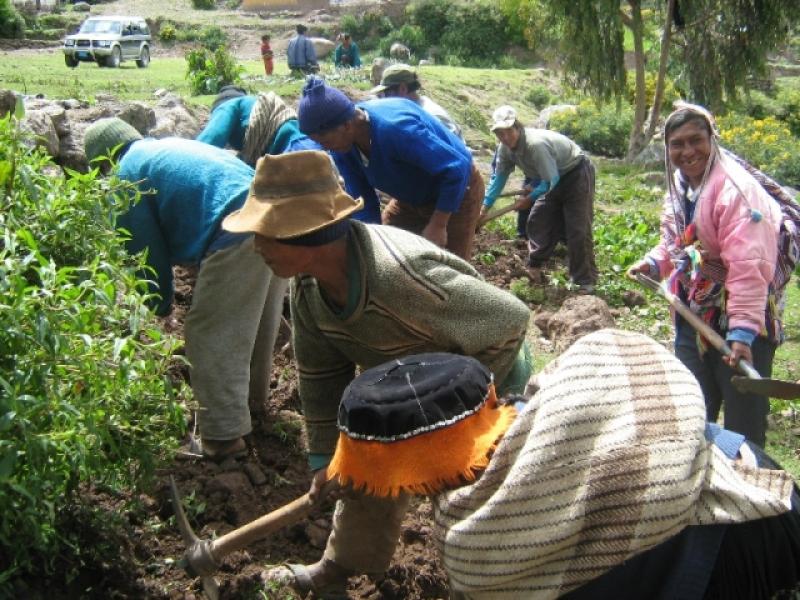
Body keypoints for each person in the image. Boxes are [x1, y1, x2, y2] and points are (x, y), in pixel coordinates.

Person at [265, 329, 800, 599]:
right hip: (763, 480)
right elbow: (634, 355)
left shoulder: (473, 543)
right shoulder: (570, 385)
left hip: (724, 557)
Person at [221, 149, 532, 598]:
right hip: (407, 382)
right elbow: (321, 377)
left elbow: (510, 321)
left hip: (488, 376)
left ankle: (489, 585)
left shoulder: (401, 280)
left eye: (265, 235)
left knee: (477, 500)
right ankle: (341, 565)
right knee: (366, 451)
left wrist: (459, 407)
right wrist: (327, 460)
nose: (257, 247)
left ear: (304, 233)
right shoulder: (310, 289)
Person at [83, 118, 289, 461]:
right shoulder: (159, 150)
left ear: (103, 163)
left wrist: (158, 306)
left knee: (210, 332)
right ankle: (252, 404)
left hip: (236, 225)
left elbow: (146, 257)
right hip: (277, 213)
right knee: (254, 321)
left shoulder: (125, 175)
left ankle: (224, 437)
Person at [627, 102, 787, 447]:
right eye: (677, 144)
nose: (688, 151)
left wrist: (743, 335)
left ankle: (749, 491)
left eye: (696, 140)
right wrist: (654, 264)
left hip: (745, 317)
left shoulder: (736, 193)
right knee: (690, 411)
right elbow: (679, 242)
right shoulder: (680, 184)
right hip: (694, 312)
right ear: (667, 149)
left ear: (712, 139)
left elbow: (750, 265)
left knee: (743, 427)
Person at [297, 76, 484, 260]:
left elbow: (456, 168)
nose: (326, 149)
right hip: (411, 197)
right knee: (388, 252)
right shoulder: (343, 148)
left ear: (346, 125)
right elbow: (362, 199)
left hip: (457, 191)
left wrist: (438, 224)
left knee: (450, 267)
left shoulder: (397, 130)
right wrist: (368, 246)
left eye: (326, 141)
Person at [482, 105, 598, 293]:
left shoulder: (535, 145)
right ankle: (534, 267)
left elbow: (550, 181)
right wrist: (485, 206)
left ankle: (585, 281)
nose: (505, 137)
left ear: (518, 127)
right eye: (500, 134)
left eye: (508, 131)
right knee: (538, 220)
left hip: (575, 174)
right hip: (550, 176)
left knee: (577, 229)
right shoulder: (504, 149)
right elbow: (499, 177)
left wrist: (530, 197)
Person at [369, 63, 463, 139]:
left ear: (403, 89)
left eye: (387, 93)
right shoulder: (412, 112)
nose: (384, 99)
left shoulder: (433, 116)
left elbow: (455, 155)